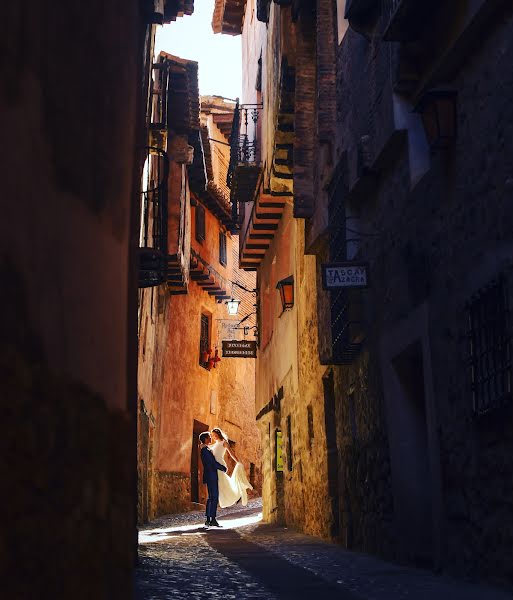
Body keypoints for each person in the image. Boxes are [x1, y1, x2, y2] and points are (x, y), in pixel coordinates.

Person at [209, 428, 253, 508]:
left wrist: (238, 462)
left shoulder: (224, 442)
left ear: (218, 434)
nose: (213, 437)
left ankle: (235, 494)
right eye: (212, 435)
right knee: (222, 483)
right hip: (215, 465)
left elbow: (231, 453)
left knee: (221, 482)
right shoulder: (215, 444)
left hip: (220, 464)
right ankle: (233, 494)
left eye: (215, 435)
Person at [199, 431, 227, 528]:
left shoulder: (205, 448)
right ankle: (212, 519)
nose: (211, 438)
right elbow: (212, 463)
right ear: (205, 439)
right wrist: (223, 468)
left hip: (210, 475)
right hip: (211, 475)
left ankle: (209, 519)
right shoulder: (205, 450)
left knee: (211, 498)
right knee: (214, 497)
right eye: (209, 437)